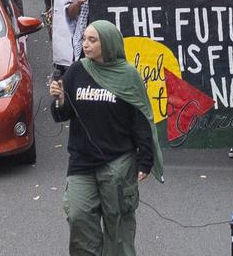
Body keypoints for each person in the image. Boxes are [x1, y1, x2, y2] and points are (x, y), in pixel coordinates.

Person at [49, 20, 164, 255]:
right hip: (81, 162)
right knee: (78, 216)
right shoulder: (77, 71)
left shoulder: (128, 75)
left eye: (93, 40)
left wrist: (145, 159)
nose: (86, 45)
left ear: (109, 44)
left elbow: (141, 119)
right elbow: (62, 115)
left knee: (118, 223)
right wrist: (60, 99)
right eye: (84, 39)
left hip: (118, 162)